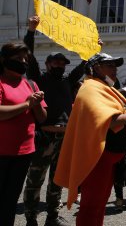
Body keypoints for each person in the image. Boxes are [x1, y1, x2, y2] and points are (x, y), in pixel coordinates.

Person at [54, 53, 126, 226]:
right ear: (96, 67)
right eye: (110, 65)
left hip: (108, 158)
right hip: (96, 158)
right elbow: (98, 119)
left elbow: (117, 110)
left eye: (115, 66)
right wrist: (125, 119)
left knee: (100, 204)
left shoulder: (104, 87)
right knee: (91, 205)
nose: (115, 69)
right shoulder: (91, 87)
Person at [23, 15, 87, 226]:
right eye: (56, 61)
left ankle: (52, 216)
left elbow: (82, 67)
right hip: (44, 137)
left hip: (64, 138)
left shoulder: (68, 82)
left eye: (63, 62)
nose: (60, 64)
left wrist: (90, 50)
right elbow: (29, 55)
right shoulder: (38, 78)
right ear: (48, 64)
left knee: (57, 180)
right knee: (35, 180)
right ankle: (31, 218)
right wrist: (31, 31)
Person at [0, 43, 47, 226]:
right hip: (2, 152)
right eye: (19, 59)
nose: (23, 62)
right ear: (4, 60)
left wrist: (36, 105)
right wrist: (26, 105)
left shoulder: (30, 84)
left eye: (25, 59)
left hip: (24, 153)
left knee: (10, 199)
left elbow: (42, 118)